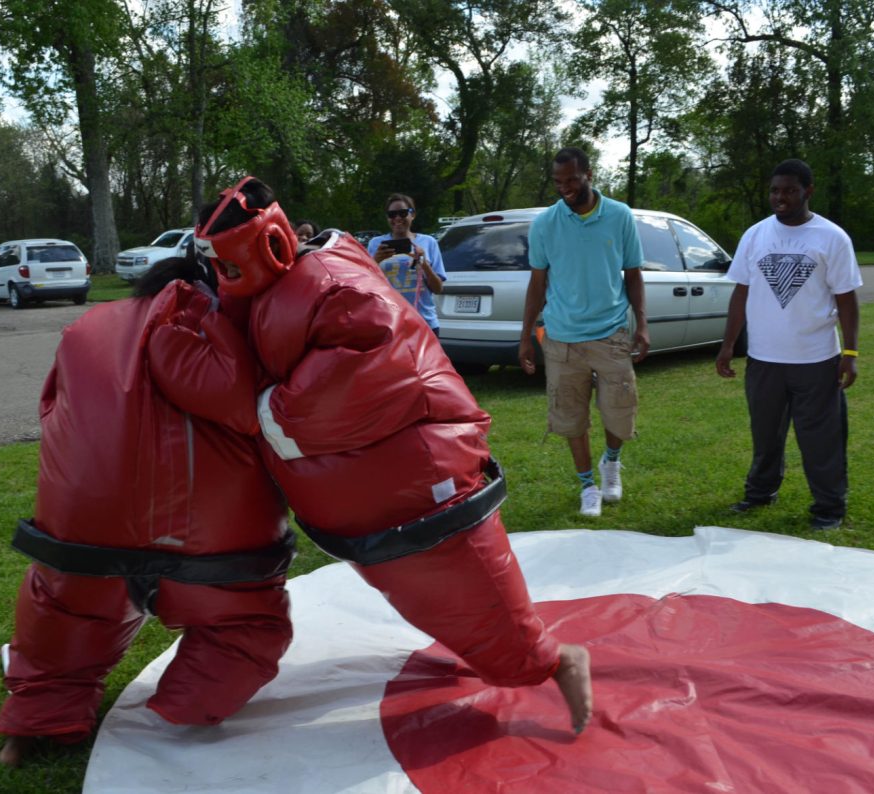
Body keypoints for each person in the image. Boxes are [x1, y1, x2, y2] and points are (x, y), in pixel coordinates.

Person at [195, 176, 593, 735]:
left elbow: (353, 378)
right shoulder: (285, 292)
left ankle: (553, 661)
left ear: (271, 244)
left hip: (420, 486)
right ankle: (504, 653)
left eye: (230, 266)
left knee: (477, 605)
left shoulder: (334, 288)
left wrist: (261, 411)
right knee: (441, 603)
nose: (226, 281)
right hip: (380, 502)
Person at [0, 253, 295, 766]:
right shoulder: (224, 328)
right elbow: (261, 413)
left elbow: (53, 405)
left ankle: (30, 729)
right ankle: (185, 707)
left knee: (65, 614)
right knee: (243, 623)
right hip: (216, 542)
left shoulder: (86, 328)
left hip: (83, 532)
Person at [716, 158, 861, 531]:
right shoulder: (755, 235)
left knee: (821, 439)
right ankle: (759, 493)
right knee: (765, 434)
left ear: (807, 192)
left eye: (789, 190)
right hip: (764, 359)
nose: (780, 197)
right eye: (775, 190)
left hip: (815, 359)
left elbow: (846, 300)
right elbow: (741, 293)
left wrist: (850, 353)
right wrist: (728, 343)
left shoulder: (831, 238)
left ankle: (829, 507)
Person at [519, 146, 648, 517]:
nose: (565, 188)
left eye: (572, 180)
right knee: (569, 416)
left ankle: (611, 463)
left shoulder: (619, 216)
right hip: (561, 337)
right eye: (559, 182)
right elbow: (537, 282)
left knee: (618, 412)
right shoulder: (545, 223)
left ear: (589, 174)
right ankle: (588, 485)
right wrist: (526, 335)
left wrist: (642, 323)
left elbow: (633, 273)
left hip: (611, 334)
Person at [366, 193, 446, 333]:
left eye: (402, 213)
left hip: (424, 322)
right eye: (392, 214)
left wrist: (424, 264)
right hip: (388, 322)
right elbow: (365, 283)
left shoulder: (429, 242)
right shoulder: (375, 244)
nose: (397, 218)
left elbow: (438, 289)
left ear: (412, 214)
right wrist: (376, 260)